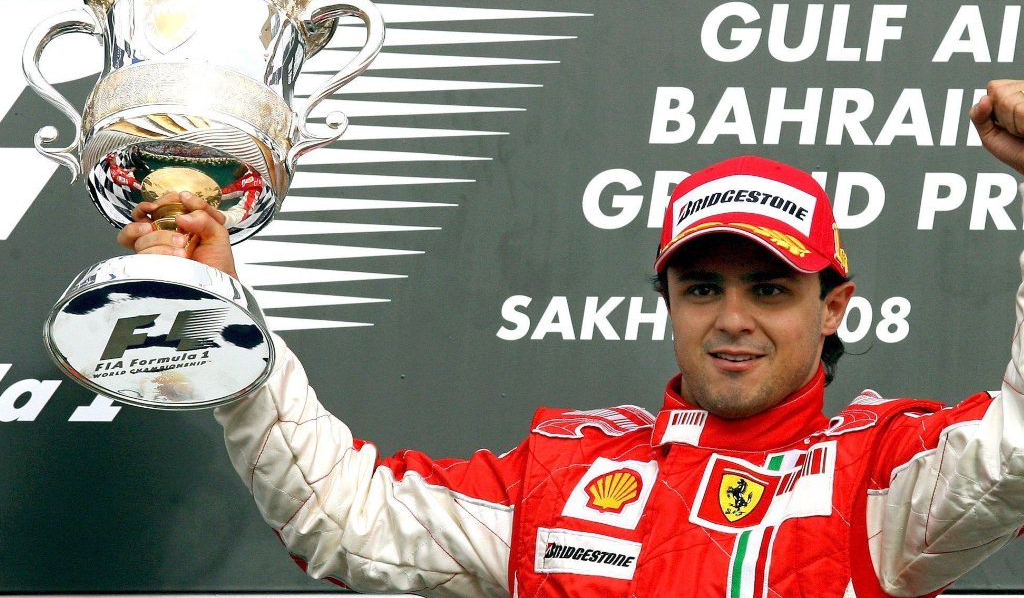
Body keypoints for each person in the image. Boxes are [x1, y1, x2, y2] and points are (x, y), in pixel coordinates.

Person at [118, 81, 1024, 598]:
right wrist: (221, 313)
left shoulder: (883, 478)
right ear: (668, 298)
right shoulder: (563, 473)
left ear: (833, 307)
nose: (734, 318)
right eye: (702, 287)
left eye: (772, 289)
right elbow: (345, 518)